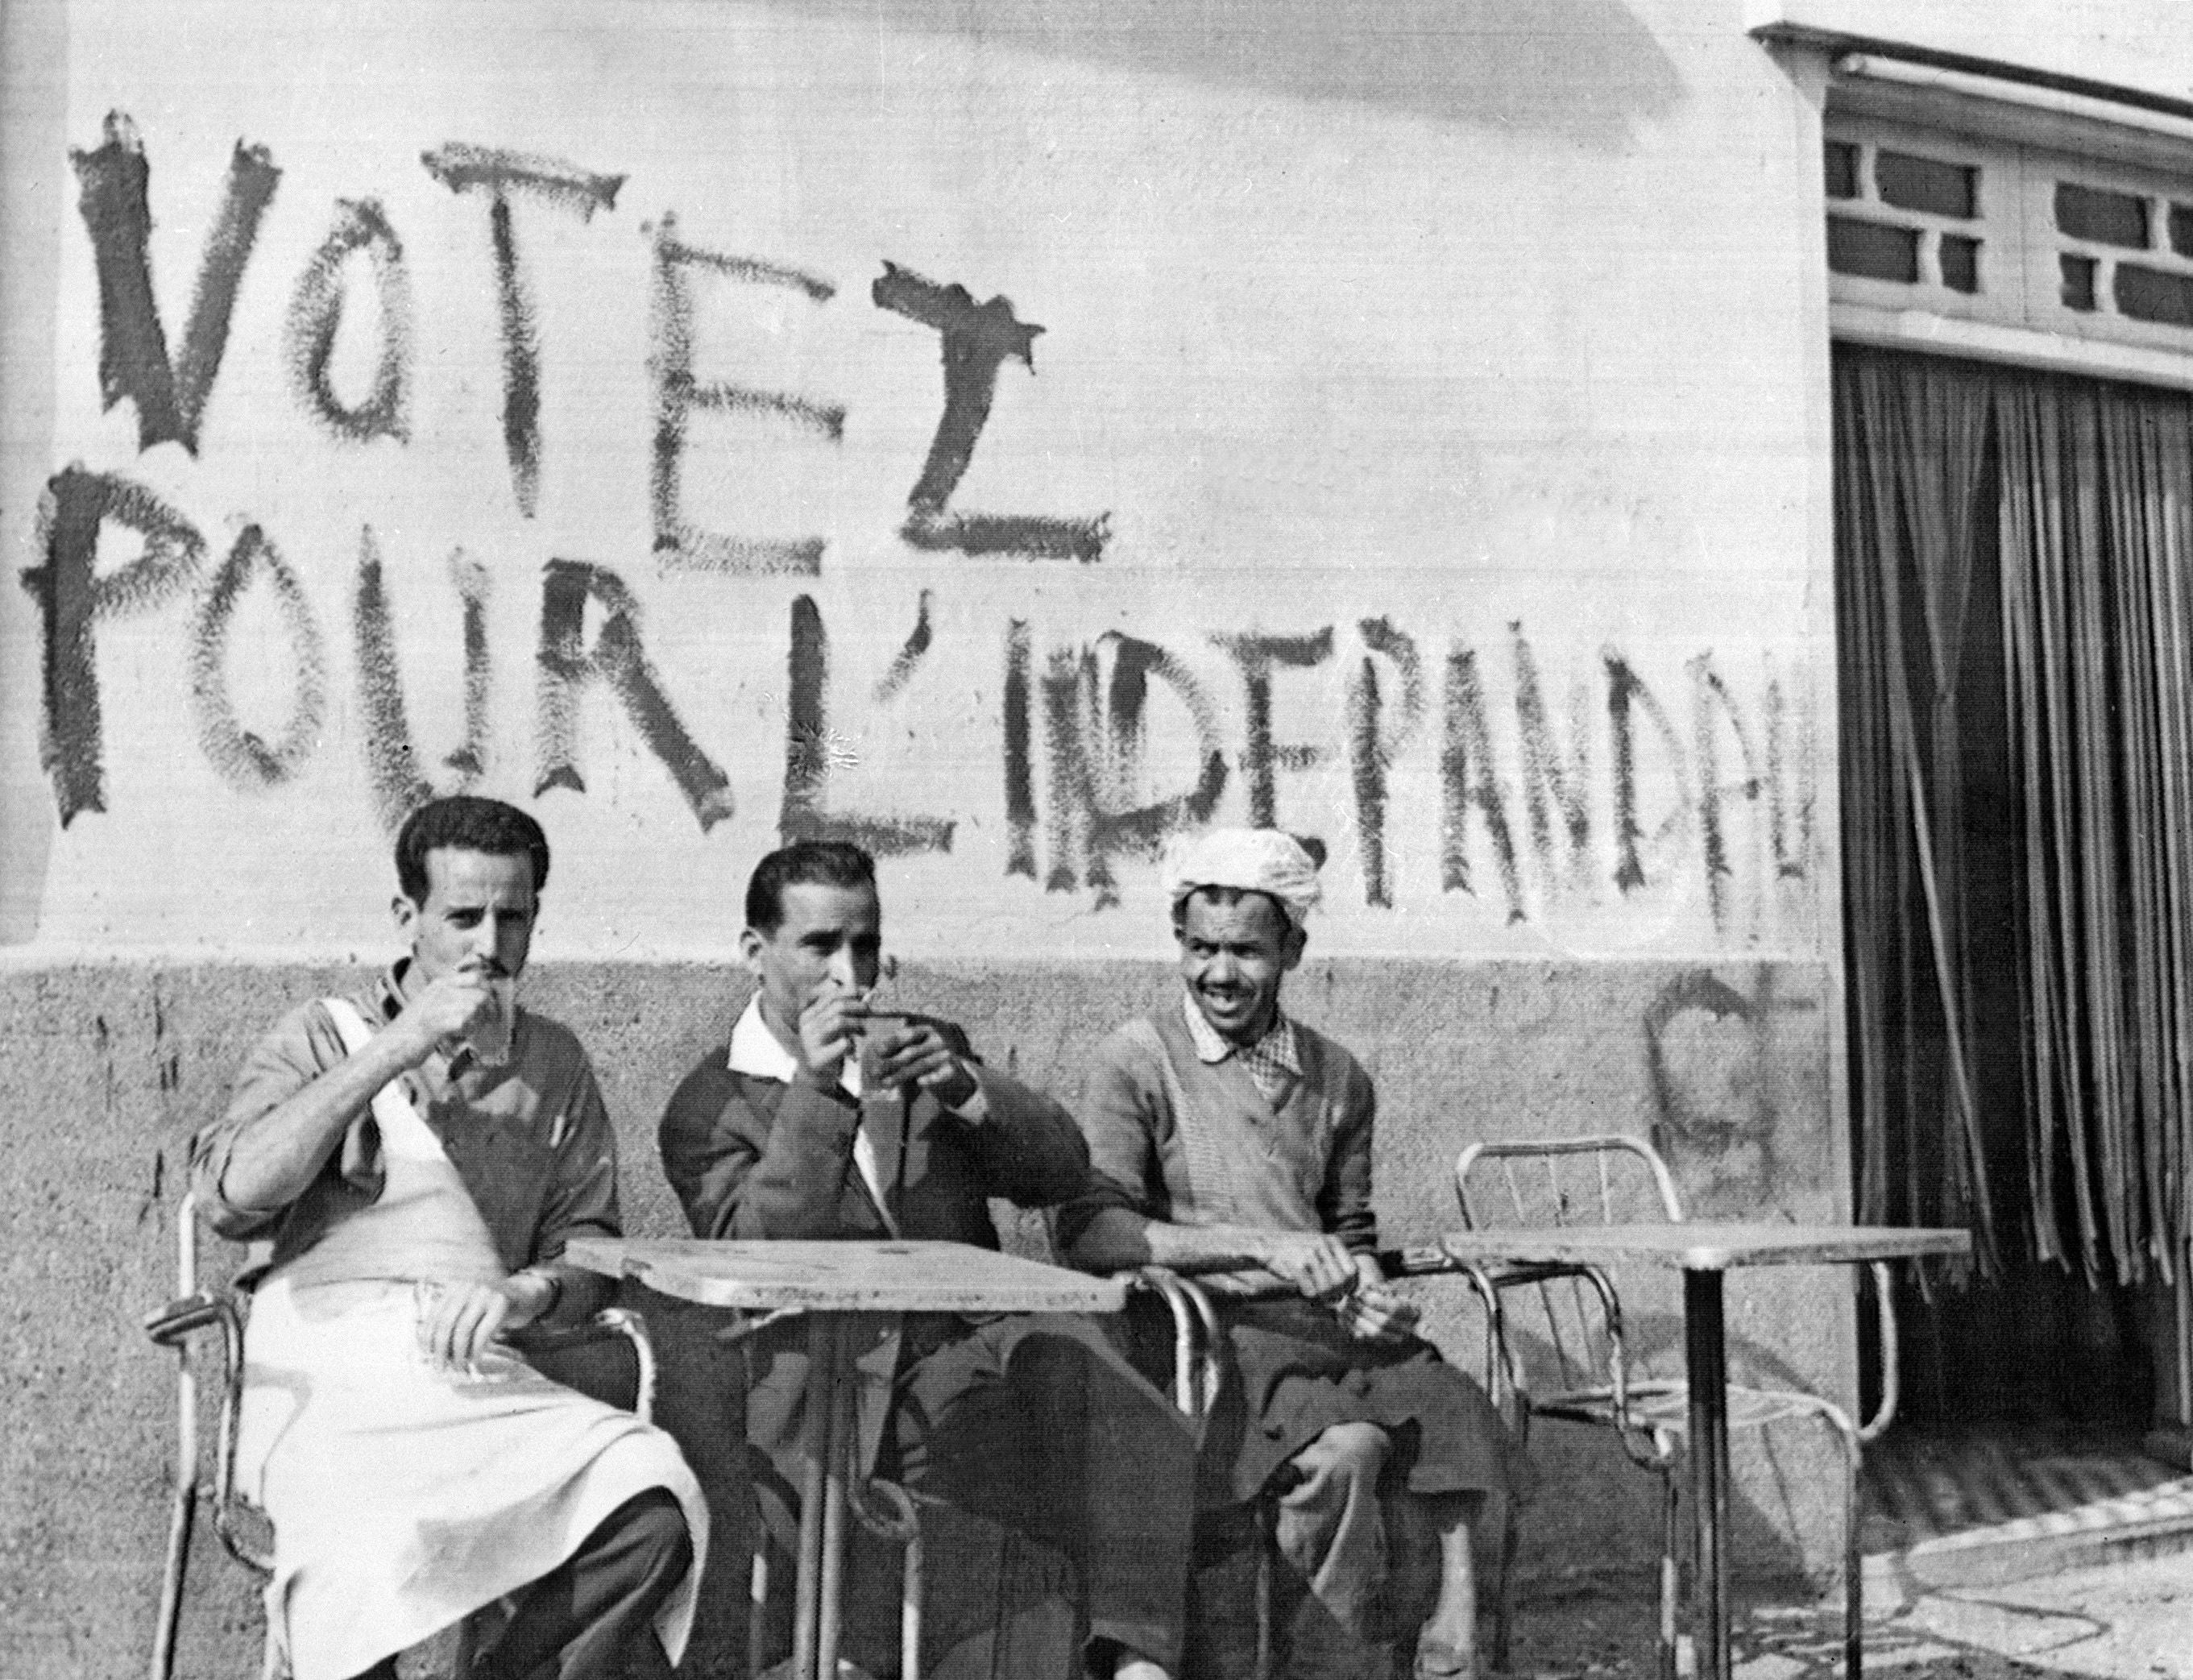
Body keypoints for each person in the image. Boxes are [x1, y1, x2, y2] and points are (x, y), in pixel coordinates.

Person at [189, 796, 706, 1680]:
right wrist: (396, 1048)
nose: (488, 944)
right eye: (463, 917)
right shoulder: (326, 1035)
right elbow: (231, 1196)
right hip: (328, 1376)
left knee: (652, 1503)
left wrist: (520, 1294)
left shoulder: (553, 1063)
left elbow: (588, 1249)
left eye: (514, 918)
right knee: (367, 1541)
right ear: (408, 919)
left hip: (473, 1369)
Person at [657, 839, 1196, 1680]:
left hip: (960, 1353)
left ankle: (1138, 1660)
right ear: (754, 954)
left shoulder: (928, 1048)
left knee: (1098, 1371)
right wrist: (817, 1087)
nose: (851, 974)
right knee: (976, 1517)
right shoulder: (709, 1105)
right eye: (821, 946)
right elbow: (754, 1249)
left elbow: (1058, 1172)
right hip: (831, 1392)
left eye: (866, 945)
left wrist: (967, 1088)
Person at [1059, 827, 1520, 1680]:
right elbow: (1093, 1231)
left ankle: (1452, 1648)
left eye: (1246, 952)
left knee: (1454, 1411)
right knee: (1348, 1454)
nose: (1220, 974)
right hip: (1199, 1341)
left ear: (1293, 950)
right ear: (1180, 944)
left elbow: (1349, 1236)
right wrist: (1266, 1250)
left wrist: (1370, 1292)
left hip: (1319, 1333)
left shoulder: (1338, 1077)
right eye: (1201, 949)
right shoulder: (1137, 1061)